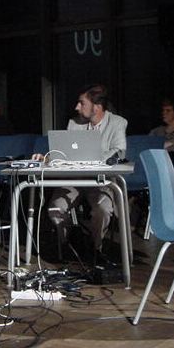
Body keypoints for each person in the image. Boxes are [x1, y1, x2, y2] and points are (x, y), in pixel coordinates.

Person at [46, 84, 127, 261]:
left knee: (102, 209)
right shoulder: (74, 123)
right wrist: (49, 158)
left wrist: (93, 158)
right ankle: (67, 245)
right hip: (75, 180)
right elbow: (65, 152)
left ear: (96, 107)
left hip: (101, 181)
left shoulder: (117, 123)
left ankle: (96, 249)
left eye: (82, 103)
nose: (77, 107)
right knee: (55, 208)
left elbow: (119, 151)